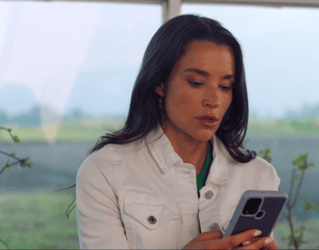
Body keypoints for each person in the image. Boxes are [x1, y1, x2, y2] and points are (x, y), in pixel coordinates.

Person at [75, 14, 281, 249]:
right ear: (160, 83)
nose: (213, 100)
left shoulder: (259, 176)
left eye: (225, 87)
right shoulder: (104, 171)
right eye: (196, 83)